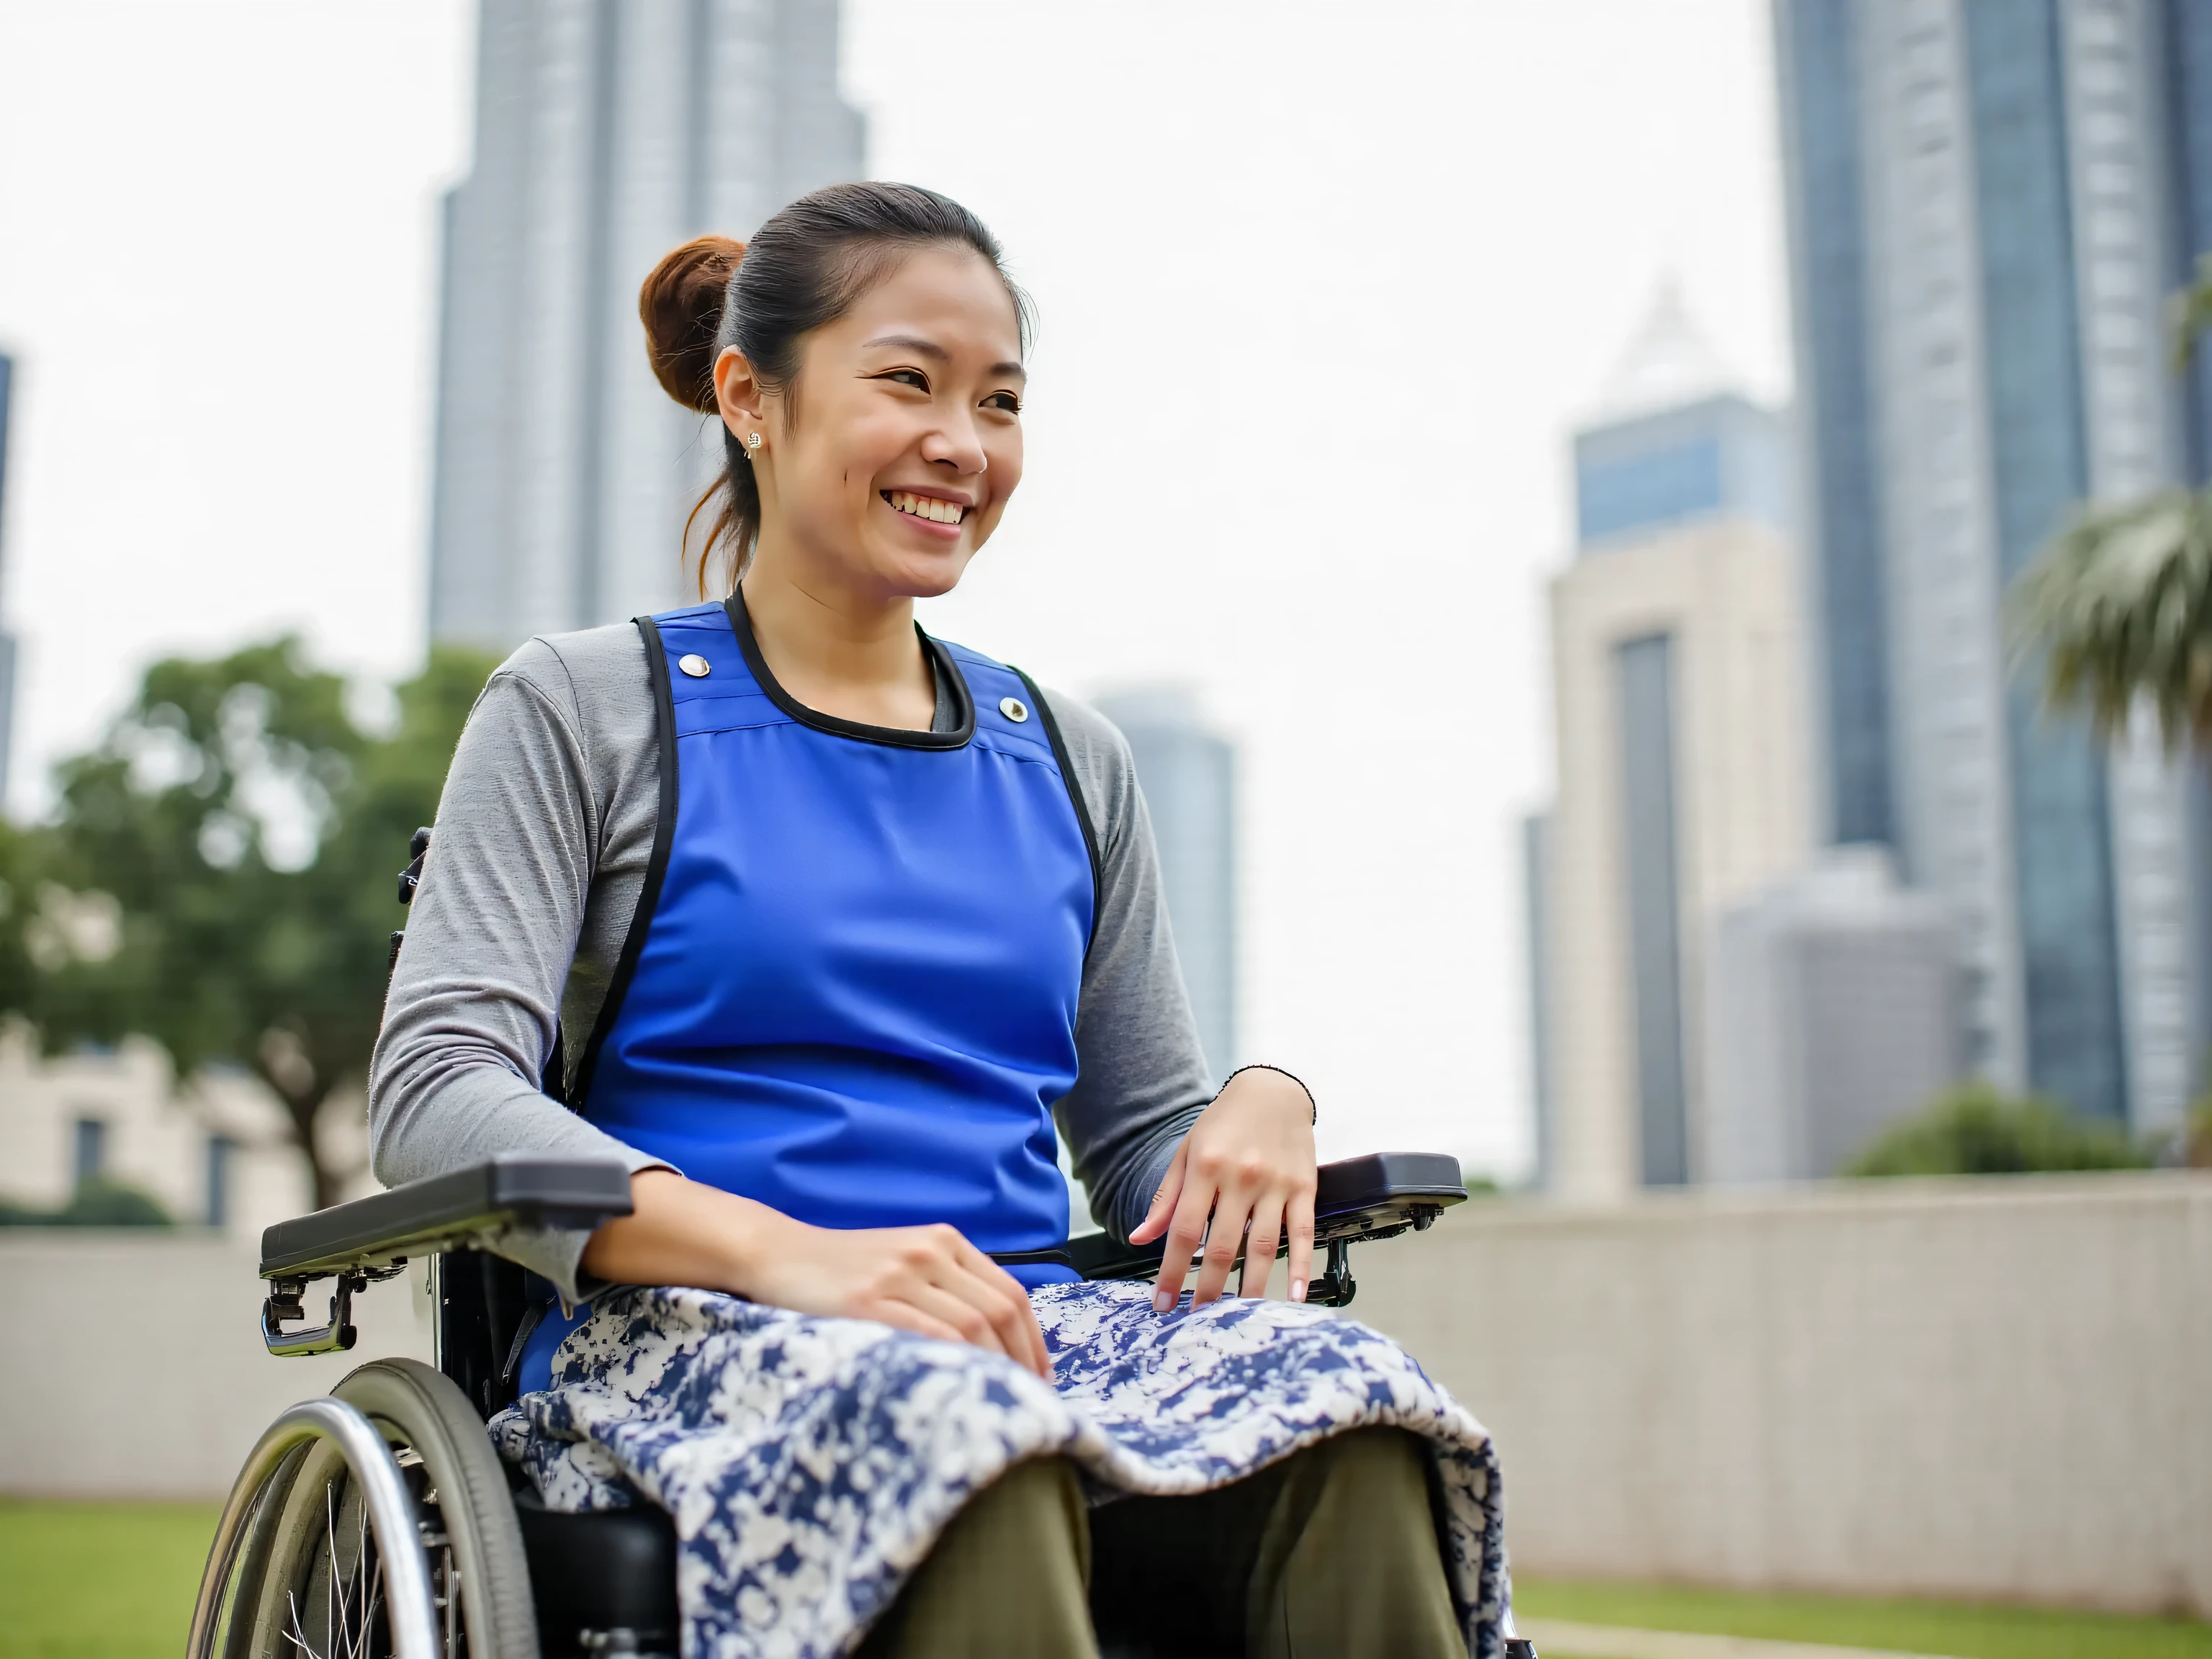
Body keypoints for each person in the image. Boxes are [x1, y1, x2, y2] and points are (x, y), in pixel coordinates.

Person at [372, 181, 1504, 1659]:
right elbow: (437, 1093)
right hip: (690, 1340)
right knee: (968, 1429)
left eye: (1003, 401)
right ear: (751, 398)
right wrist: (790, 1253)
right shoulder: (585, 710)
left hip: (1020, 1325)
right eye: (908, 382)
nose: (962, 445)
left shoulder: (1067, 755)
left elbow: (1145, 1142)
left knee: (1348, 1407)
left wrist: (1264, 1101)